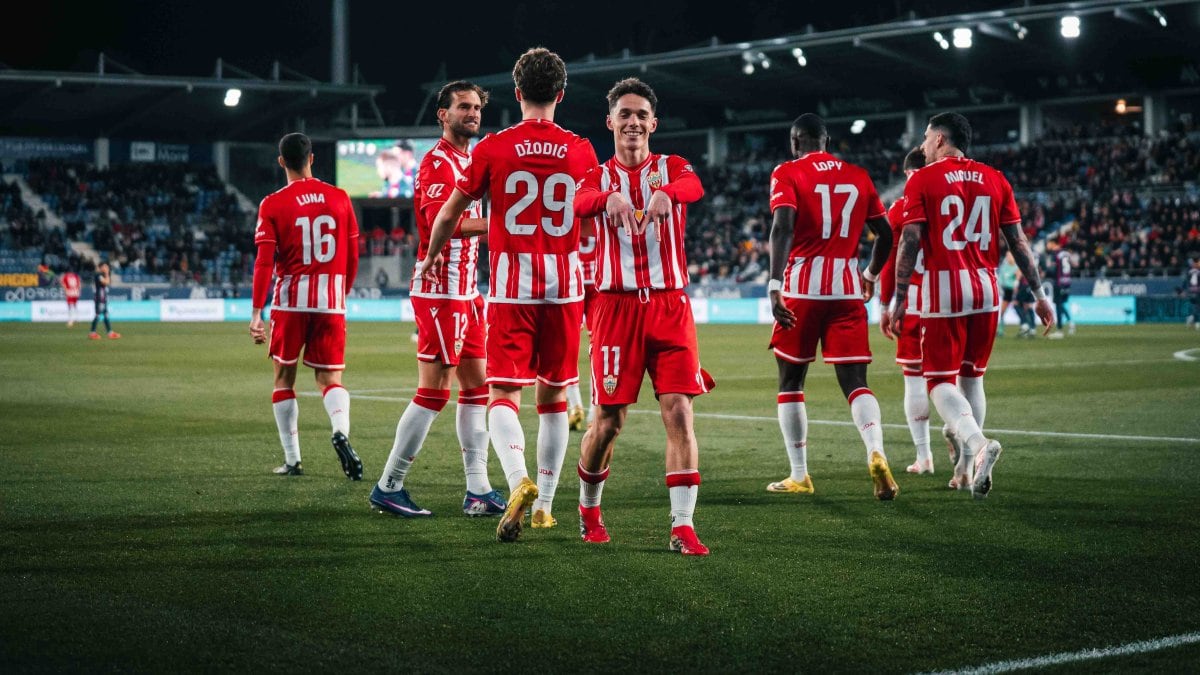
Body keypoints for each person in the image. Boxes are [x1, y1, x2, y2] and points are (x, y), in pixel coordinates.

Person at [418, 47, 598, 542]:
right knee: (556, 397)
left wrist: (433, 254)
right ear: (560, 94)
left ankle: (517, 481)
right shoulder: (582, 149)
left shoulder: (492, 148)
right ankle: (546, 504)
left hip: (511, 288)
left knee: (502, 393)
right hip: (565, 289)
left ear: (517, 94)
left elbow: (450, 214)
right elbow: (594, 216)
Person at [572, 77, 713, 555]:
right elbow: (577, 201)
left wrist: (668, 193)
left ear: (654, 123)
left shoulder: (673, 168)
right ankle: (589, 508)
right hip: (615, 308)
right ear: (610, 122)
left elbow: (695, 185)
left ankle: (682, 525)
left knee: (679, 413)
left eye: (641, 115)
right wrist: (606, 199)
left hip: (671, 306)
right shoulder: (597, 175)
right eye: (624, 115)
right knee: (608, 422)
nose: (633, 123)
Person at [890, 112, 1055, 499]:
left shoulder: (923, 180)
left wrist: (899, 299)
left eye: (927, 138)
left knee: (939, 382)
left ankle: (979, 446)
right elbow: (1018, 243)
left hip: (945, 291)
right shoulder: (996, 179)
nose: (924, 146)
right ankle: (964, 470)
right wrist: (1039, 295)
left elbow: (910, 241)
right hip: (986, 291)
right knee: (973, 378)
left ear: (942, 139)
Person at [370, 81, 507, 518]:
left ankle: (477, 490)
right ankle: (389, 485)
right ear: (442, 115)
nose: (472, 113)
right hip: (440, 291)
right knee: (433, 393)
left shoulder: (471, 160)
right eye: (463, 107)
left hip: (467, 291)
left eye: (476, 107)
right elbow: (437, 224)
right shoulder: (436, 163)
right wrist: (502, 223)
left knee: (476, 389)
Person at [765, 113, 896, 500]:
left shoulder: (787, 172)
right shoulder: (857, 175)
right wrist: (870, 274)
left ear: (795, 140)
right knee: (856, 383)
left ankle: (800, 474)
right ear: (825, 139)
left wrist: (775, 285)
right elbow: (885, 234)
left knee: (791, 382)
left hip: (803, 289)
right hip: (847, 288)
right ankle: (876, 452)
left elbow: (783, 227)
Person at [249, 132, 363, 480]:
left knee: (284, 377)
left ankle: (293, 460)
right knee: (330, 378)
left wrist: (256, 313)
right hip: (330, 302)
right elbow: (354, 256)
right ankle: (340, 431)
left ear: (282, 161)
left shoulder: (273, 203)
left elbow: (264, 263)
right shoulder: (340, 198)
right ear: (312, 158)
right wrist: (340, 293)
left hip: (290, 302)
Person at [878, 147, 933, 475]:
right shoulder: (947, 204)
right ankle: (964, 450)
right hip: (949, 300)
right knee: (950, 380)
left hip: (912, 302)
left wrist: (886, 305)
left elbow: (891, 261)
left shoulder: (901, 207)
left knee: (914, 380)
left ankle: (924, 457)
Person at [564, 230, 597, 431]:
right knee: (598, 350)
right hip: (597, 282)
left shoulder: (572, 204)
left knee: (567, 348)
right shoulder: (600, 202)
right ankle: (594, 412)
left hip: (572, 283)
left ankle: (575, 406)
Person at [1045, 239, 1075, 338]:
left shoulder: (1055, 254)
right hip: (1067, 282)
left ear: (1053, 243)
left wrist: (1046, 271)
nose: (1047, 245)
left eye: (1048, 243)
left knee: (1058, 305)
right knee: (1060, 304)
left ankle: (1059, 330)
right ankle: (1070, 322)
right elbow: (1073, 266)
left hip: (1058, 283)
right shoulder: (1066, 253)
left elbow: (1053, 270)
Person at [88, 262, 120, 339]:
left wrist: (106, 274)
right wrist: (107, 274)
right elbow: (106, 282)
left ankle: (110, 333)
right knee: (98, 315)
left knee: (106, 315)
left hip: (103, 298)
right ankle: (92, 333)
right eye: (105, 267)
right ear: (101, 268)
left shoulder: (102, 275)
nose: (107, 268)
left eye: (107, 267)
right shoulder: (98, 275)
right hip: (99, 298)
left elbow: (107, 283)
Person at [997, 251, 1018, 337]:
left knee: (1020, 308)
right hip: (1007, 291)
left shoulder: (1017, 267)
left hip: (1016, 292)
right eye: (1007, 256)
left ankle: (1028, 326)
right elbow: (1000, 279)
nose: (1008, 257)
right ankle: (1000, 330)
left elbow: (1018, 279)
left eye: (1010, 255)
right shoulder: (1004, 267)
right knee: (1002, 312)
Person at [1187, 258, 1200, 330]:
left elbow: (1186, 282)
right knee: (1197, 307)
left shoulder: (1189, 272)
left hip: (1191, 291)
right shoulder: (1197, 271)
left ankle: (1191, 318)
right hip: (1197, 291)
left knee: (1195, 307)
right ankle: (1197, 322)